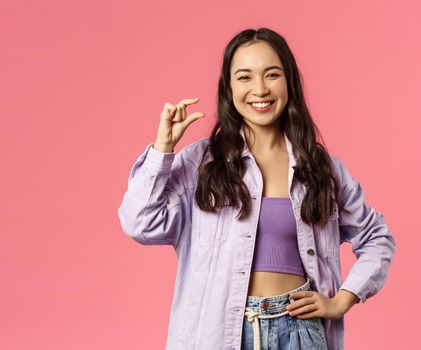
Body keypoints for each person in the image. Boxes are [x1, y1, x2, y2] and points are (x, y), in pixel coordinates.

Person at [117, 27, 396, 350]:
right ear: (229, 87)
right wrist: (162, 148)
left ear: (289, 81)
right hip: (220, 334)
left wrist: (342, 300)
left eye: (272, 74)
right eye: (245, 77)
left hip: (300, 333)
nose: (260, 89)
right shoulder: (201, 163)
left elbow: (377, 237)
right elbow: (139, 223)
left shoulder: (321, 167)